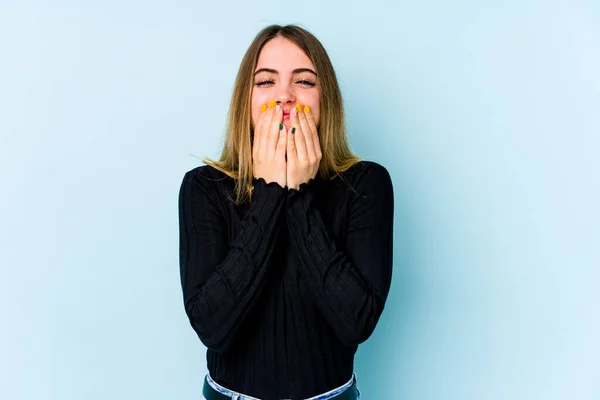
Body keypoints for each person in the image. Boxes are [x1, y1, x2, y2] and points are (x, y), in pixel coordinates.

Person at [178, 24, 394, 400]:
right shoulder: (203, 188)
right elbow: (213, 327)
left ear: (326, 100)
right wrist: (270, 192)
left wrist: (297, 194)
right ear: (244, 101)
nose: (285, 96)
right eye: (265, 82)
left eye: (305, 81)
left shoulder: (367, 185)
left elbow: (355, 322)